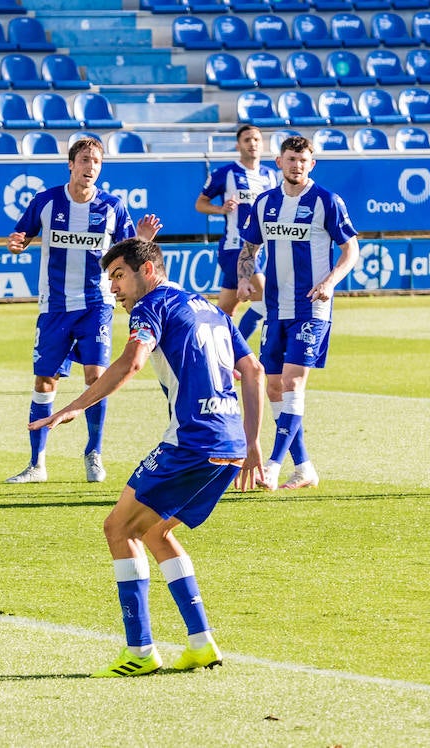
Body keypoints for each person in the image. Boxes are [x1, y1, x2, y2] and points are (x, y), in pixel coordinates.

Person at [31, 238, 265, 677]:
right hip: (230, 443)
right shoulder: (209, 307)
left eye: (118, 275)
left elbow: (132, 361)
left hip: (192, 442)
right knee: (156, 533)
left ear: (148, 271)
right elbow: (251, 370)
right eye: (110, 278)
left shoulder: (150, 306)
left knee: (118, 527)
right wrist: (252, 444)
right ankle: (201, 643)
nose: (113, 288)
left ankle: (140, 651)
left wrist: (77, 404)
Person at [5, 136, 161, 485]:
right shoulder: (46, 201)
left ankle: (93, 452)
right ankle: (37, 464)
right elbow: (20, 236)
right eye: (85, 160)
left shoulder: (112, 206)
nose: (91, 167)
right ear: (71, 164)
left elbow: (132, 254)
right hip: (55, 305)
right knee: (45, 381)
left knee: (96, 376)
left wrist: (144, 239)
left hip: (97, 303)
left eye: (97, 162)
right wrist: (16, 243)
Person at [237, 135, 359, 492]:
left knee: (291, 382)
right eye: (291, 159)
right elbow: (249, 249)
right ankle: (304, 466)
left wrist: (331, 281)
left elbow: (350, 250)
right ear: (279, 161)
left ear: (312, 164)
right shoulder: (265, 203)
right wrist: (244, 279)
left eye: (304, 161)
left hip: (312, 307)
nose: (297, 166)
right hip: (276, 309)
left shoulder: (326, 202)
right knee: (273, 385)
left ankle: (273, 465)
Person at [195, 125, 280, 341]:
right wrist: (220, 209)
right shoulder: (225, 174)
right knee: (267, 301)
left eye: (256, 139)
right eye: (247, 140)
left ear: (263, 144)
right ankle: (235, 352)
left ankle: (205, 344)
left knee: (224, 311)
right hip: (236, 247)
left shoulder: (270, 176)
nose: (253, 144)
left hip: (261, 249)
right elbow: (200, 204)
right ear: (238, 145)